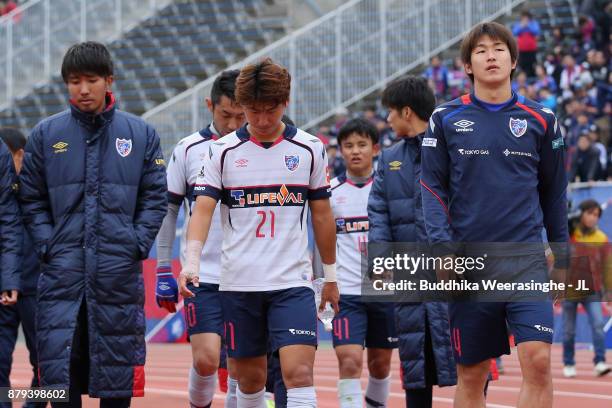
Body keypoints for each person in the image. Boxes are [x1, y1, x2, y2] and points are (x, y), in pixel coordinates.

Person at [421, 22, 568, 408]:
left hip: (525, 262)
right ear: (467, 65)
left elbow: (554, 193)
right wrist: (441, 249)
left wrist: (562, 252)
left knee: (537, 361)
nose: (490, 55)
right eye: (481, 50)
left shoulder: (542, 120)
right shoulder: (445, 119)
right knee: (473, 373)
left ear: (514, 60)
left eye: (499, 48)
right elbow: (433, 190)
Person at [179, 57, 339, 408]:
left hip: (292, 283)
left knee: (298, 374)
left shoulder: (310, 149)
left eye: (271, 110)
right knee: (249, 380)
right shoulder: (221, 153)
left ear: (286, 102)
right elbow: (202, 209)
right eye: (253, 111)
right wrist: (191, 261)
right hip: (239, 285)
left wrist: (329, 276)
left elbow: (323, 216)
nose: (263, 120)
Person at [18, 42, 167, 407]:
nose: (83, 90)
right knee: (61, 375)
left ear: (109, 81)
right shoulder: (45, 134)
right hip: (61, 273)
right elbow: (31, 198)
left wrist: (135, 243)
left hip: (116, 274)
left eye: (91, 80)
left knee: (116, 380)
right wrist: (47, 244)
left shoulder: (141, 134)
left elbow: (154, 197)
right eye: (74, 81)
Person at [154, 69, 245, 408]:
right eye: (226, 115)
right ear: (210, 106)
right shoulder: (189, 149)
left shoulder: (258, 146)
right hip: (202, 275)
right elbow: (169, 208)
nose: (234, 124)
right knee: (207, 359)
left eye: (241, 115)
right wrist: (164, 268)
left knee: (241, 364)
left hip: (248, 275)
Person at [369, 75, 457, 407]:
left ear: (406, 111)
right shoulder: (389, 158)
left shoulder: (452, 150)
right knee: (416, 369)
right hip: (410, 279)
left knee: (471, 365)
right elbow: (378, 211)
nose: (387, 119)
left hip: (455, 277)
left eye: (390, 111)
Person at [323, 118, 395, 408]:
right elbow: (322, 243)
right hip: (347, 292)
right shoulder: (330, 193)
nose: (355, 151)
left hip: (384, 290)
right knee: (350, 360)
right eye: (348, 145)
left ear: (375, 148)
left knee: (380, 365)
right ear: (340, 150)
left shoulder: (388, 189)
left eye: (362, 144)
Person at [0, 128, 46, 408]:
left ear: (20, 155)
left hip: (37, 288)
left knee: (46, 365)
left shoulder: (40, 190)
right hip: (4, 291)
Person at [562, 199, 612, 378]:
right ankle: (568, 363)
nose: (593, 218)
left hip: (593, 290)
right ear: (581, 213)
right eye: (589, 213)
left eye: (596, 215)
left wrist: (609, 292)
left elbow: (607, 267)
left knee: (598, 325)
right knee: (569, 331)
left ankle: (599, 361)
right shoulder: (571, 233)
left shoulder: (601, 238)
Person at [0, 134, 23, 408]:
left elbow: (7, 224)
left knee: (46, 365)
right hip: (10, 280)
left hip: (30, 284)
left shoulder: (38, 189)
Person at [512, 11, 541, 78]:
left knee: (532, 65)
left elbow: (536, 31)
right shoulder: (518, 24)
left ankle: (532, 78)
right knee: (522, 65)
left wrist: (528, 25)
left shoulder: (533, 23)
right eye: (523, 17)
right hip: (522, 50)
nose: (525, 19)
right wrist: (521, 26)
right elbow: (514, 32)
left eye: (526, 17)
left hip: (532, 50)